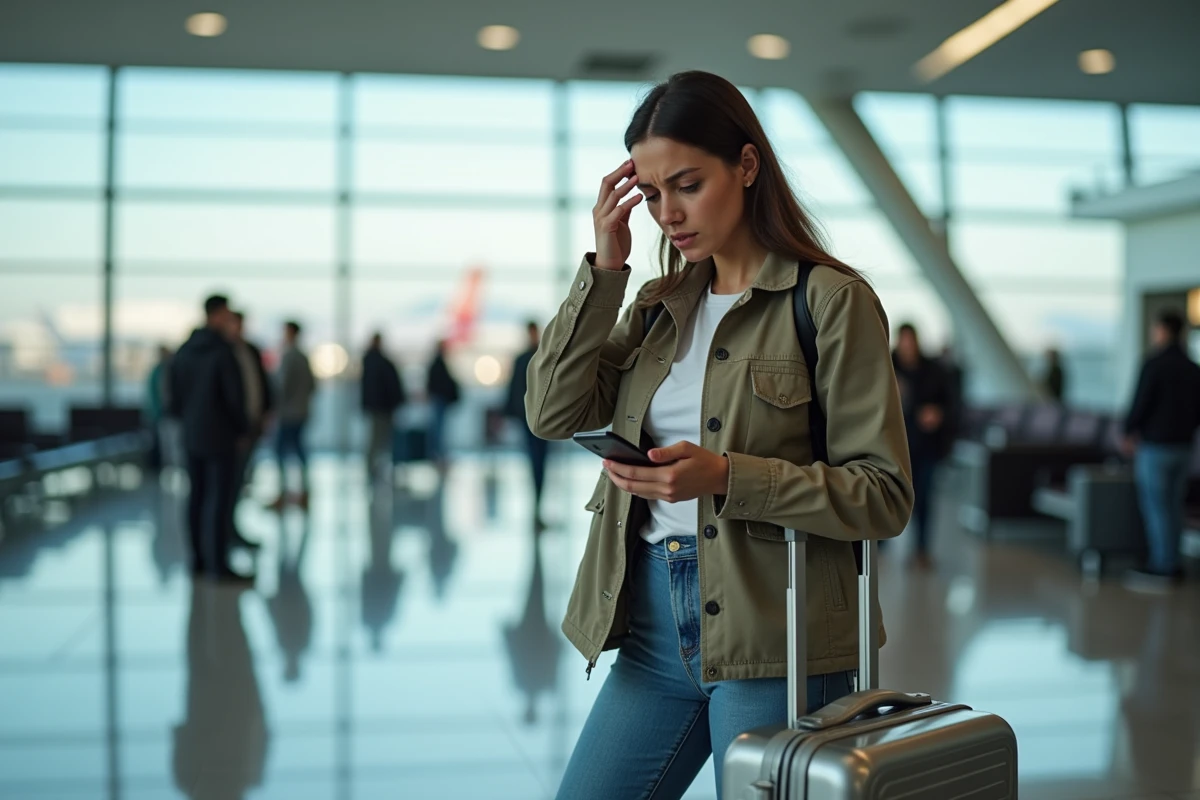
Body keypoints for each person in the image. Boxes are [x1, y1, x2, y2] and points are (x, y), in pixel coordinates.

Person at [525, 71, 914, 800]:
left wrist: (726, 476)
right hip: (650, 631)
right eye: (649, 193)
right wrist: (605, 267)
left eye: (687, 184)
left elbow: (884, 496)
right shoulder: (655, 306)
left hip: (779, 634)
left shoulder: (831, 302)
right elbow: (551, 411)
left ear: (745, 165)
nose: (667, 212)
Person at [168, 294, 253, 583]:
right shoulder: (221, 352)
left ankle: (198, 561)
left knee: (196, 497)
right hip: (221, 437)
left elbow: (173, 397)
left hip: (192, 435)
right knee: (219, 499)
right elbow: (233, 398)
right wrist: (242, 430)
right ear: (216, 315)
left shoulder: (185, 351)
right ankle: (219, 565)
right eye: (227, 315)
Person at [1122, 310, 1200, 589]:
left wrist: (1128, 431)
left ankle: (1163, 564)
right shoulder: (1193, 367)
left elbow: (1140, 402)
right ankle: (1173, 561)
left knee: (1157, 506)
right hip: (1184, 447)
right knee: (1174, 506)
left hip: (1156, 446)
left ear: (1163, 330)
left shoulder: (1153, 364)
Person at [892, 323, 950, 569]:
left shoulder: (933, 370)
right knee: (890, 494)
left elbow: (949, 403)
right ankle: (881, 543)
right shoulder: (885, 366)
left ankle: (921, 549)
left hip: (925, 445)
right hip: (894, 446)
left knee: (924, 496)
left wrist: (937, 414)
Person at [230, 311, 273, 548]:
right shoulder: (223, 353)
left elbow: (263, 386)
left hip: (251, 426)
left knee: (240, 481)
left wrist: (265, 412)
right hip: (231, 430)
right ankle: (225, 533)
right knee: (228, 484)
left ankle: (232, 530)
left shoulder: (250, 351)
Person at [506, 321, 549, 529]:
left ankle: (538, 507)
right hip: (533, 419)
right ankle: (536, 507)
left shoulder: (531, 357)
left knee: (538, 462)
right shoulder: (536, 357)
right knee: (536, 462)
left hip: (538, 419)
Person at [269, 321, 316, 512]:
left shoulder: (289, 357)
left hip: (288, 413)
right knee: (298, 451)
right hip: (301, 411)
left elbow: (282, 387)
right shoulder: (304, 357)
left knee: (280, 452)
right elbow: (312, 385)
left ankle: (283, 492)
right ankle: (304, 491)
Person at [361, 333, 406, 482]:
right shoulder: (381, 362)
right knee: (381, 440)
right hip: (383, 408)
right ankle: (375, 467)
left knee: (377, 440)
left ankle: (374, 467)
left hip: (377, 407)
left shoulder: (369, 362)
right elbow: (391, 385)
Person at [425, 339, 460, 472]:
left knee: (439, 430)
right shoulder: (438, 363)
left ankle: (437, 455)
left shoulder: (438, 363)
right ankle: (437, 456)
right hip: (439, 400)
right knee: (438, 430)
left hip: (439, 400)